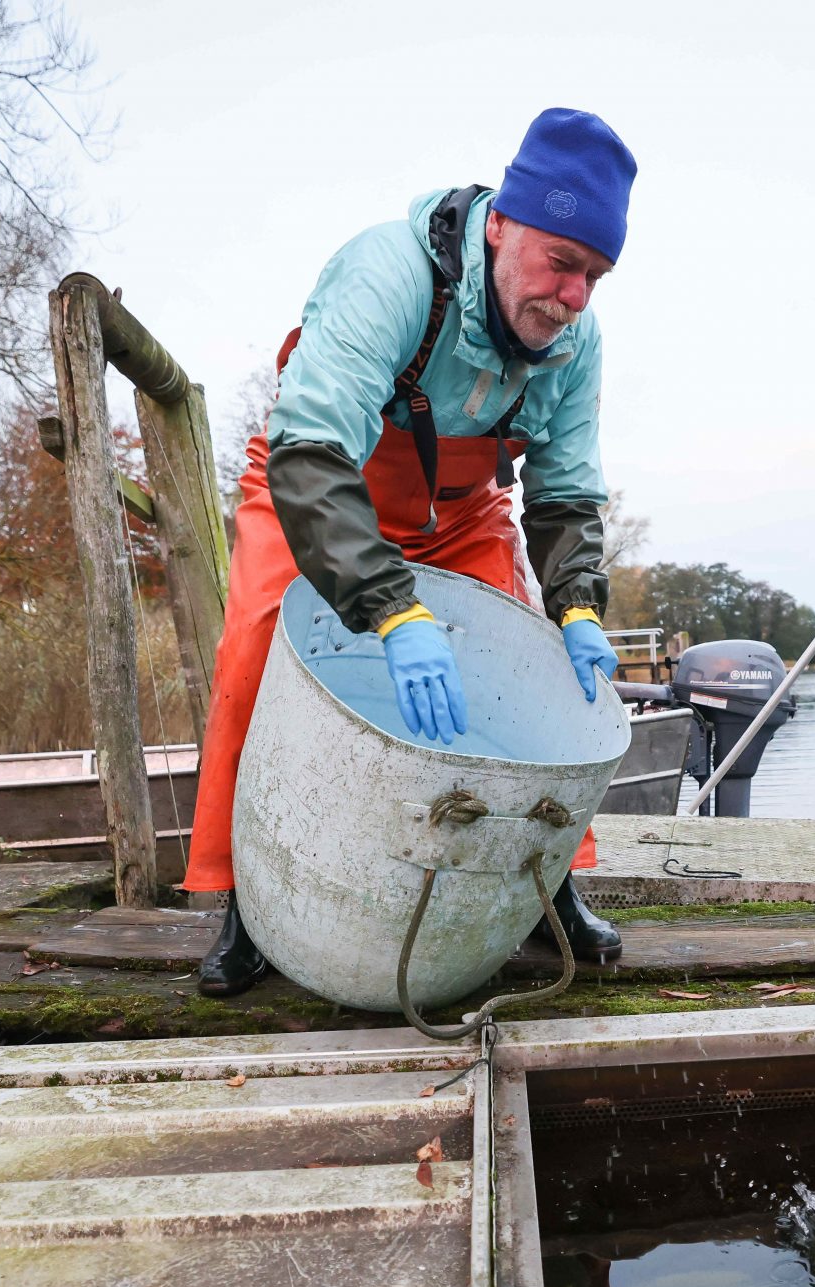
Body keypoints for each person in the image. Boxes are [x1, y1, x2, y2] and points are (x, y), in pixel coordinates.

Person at [184, 108, 637, 996]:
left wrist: (578, 603)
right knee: (256, 655)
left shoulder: (574, 341)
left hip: (463, 510)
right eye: (561, 262)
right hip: (320, 479)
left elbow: (567, 491)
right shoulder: (387, 272)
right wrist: (392, 609)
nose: (575, 295)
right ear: (501, 225)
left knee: (530, 669)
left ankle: (552, 889)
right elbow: (309, 451)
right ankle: (246, 905)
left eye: (595, 275)